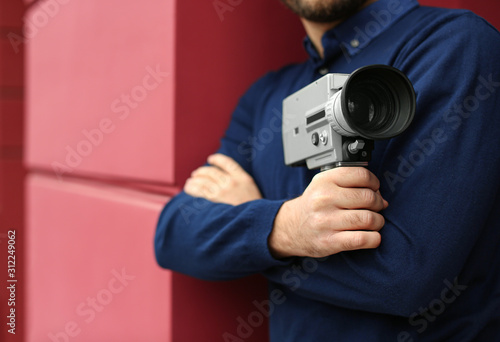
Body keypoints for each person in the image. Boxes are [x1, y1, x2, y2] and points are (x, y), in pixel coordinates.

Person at [155, 0, 500, 340]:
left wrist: (260, 228)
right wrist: (283, 227)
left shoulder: (454, 44)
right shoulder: (267, 97)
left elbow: (405, 279)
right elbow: (173, 233)